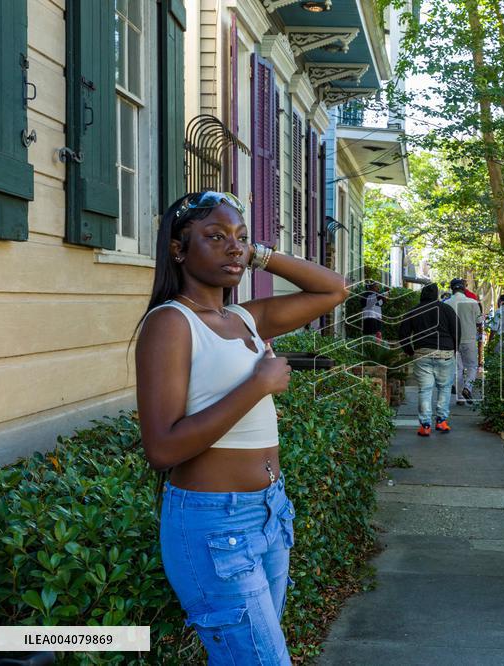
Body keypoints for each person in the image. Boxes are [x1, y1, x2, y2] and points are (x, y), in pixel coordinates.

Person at [134, 191, 349, 664]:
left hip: (271, 512)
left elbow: (334, 289)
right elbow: (163, 448)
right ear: (178, 249)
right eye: (215, 237)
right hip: (216, 522)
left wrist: (260, 254)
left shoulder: (244, 318)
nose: (234, 248)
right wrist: (259, 385)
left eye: (242, 239)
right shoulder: (171, 323)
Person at [398, 283, 459, 436]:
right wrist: (454, 349)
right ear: (436, 295)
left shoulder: (413, 311)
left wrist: (410, 351)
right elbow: (457, 330)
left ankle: (425, 425)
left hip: (422, 353)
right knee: (444, 388)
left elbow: (403, 333)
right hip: (445, 353)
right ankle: (441, 421)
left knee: (425, 390)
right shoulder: (446, 309)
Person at [446, 278, 481, 405]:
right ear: (463, 288)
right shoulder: (473, 302)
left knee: (458, 369)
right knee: (472, 367)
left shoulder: (447, 303)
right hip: (469, 339)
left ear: (452, 289)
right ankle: (467, 388)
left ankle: (460, 398)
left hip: (453, 341)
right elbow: (479, 321)